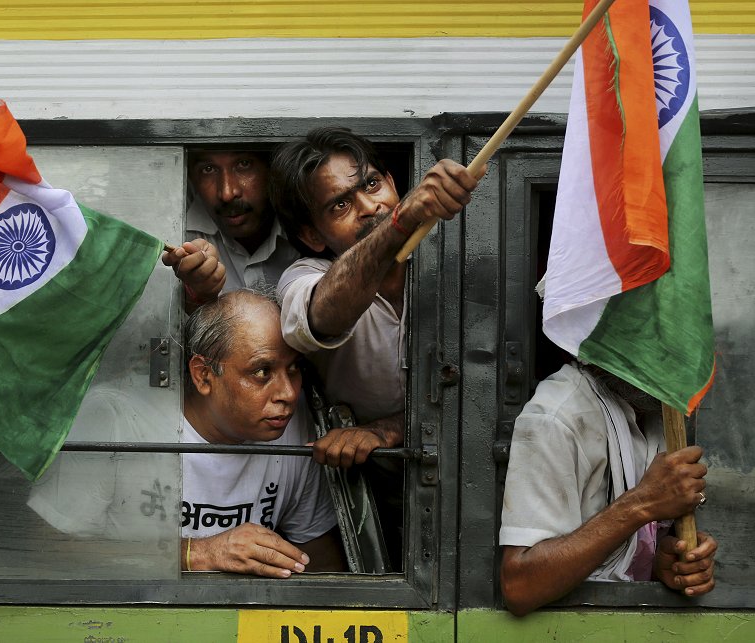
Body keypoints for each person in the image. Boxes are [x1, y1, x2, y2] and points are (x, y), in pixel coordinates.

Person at [271, 127, 480, 467]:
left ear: (392, 182)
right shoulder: (305, 277)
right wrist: (402, 219)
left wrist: (388, 430)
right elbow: (325, 314)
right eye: (340, 204)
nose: (370, 206)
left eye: (372, 184)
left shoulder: (449, 258)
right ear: (311, 235)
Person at [499, 362, 718, 616]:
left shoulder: (658, 417)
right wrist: (642, 503)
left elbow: (624, 562)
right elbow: (520, 586)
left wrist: (663, 566)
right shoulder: (556, 415)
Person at [181, 289, 344, 576]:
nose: (289, 393)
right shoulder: (123, 423)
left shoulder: (293, 430)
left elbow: (322, 565)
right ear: (203, 375)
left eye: (294, 369)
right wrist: (201, 553)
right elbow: (77, 551)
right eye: (261, 372)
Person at [162, 149, 301, 309]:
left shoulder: (308, 229)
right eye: (208, 169)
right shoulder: (176, 232)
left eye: (244, 164)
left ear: (273, 169)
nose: (227, 193)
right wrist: (197, 295)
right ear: (191, 177)